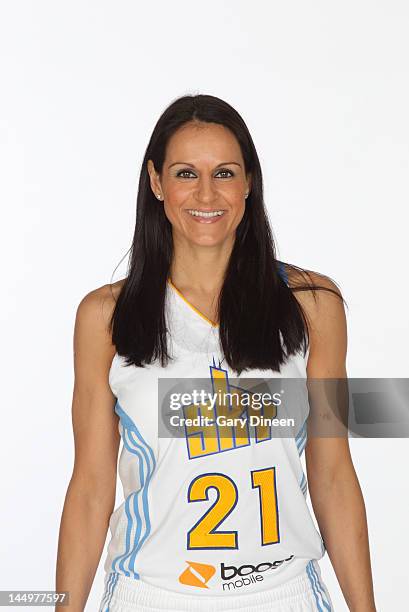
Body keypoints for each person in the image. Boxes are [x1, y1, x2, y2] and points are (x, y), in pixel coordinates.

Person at [55, 94, 377, 611]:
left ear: (249, 182)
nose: (207, 193)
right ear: (156, 182)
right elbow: (91, 486)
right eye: (186, 173)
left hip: (284, 594)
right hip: (150, 595)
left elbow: (333, 473)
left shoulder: (313, 306)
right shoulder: (105, 318)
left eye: (224, 173)